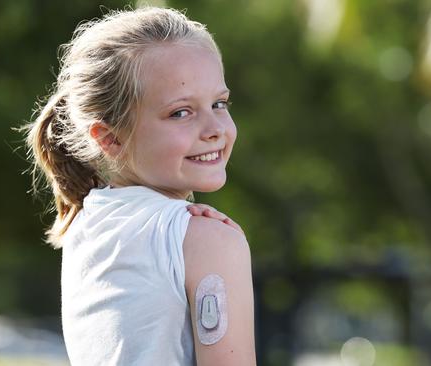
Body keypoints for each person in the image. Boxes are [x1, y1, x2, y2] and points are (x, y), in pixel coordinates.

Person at [22, 6, 256, 365]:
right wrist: (208, 239)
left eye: (219, 103)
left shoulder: (87, 223)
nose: (215, 129)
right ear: (111, 138)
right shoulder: (211, 242)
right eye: (181, 112)